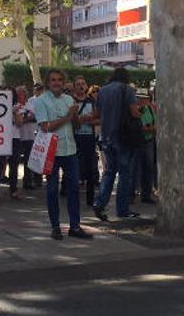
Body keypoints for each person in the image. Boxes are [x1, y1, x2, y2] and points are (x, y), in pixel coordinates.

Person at [34, 69, 93, 240]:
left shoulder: (69, 99)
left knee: (74, 189)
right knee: (52, 190)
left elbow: (74, 125)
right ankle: (55, 226)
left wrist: (75, 117)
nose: (57, 83)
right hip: (52, 151)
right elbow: (45, 127)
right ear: (48, 82)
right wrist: (68, 117)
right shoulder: (41, 101)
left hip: (70, 150)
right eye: (53, 80)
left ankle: (75, 226)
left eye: (59, 80)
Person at [92, 67, 138, 221]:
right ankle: (122, 209)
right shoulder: (128, 90)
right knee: (125, 174)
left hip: (106, 137)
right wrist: (141, 110)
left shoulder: (103, 91)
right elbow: (133, 112)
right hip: (123, 137)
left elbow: (97, 114)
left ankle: (99, 202)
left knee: (109, 172)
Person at [72, 76, 100, 206]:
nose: (81, 86)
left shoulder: (92, 101)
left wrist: (89, 121)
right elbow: (68, 120)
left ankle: (90, 198)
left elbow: (100, 119)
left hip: (89, 138)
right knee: (74, 168)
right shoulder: (71, 101)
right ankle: (73, 196)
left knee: (90, 169)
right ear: (74, 87)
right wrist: (78, 120)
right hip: (75, 138)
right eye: (78, 84)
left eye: (83, 84)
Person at [133, 89, 156, 205]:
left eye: (144, 98)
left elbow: (155, 124)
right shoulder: (133, 110)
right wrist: (149, 128)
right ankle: (131, 194)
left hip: (148, 141)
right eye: (140, 98)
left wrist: (150, 128)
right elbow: (136, 127)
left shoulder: (150, 109)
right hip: (137, 142)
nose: (142, 100)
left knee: (149, 168)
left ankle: (146, 194)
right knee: (135, 169)